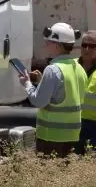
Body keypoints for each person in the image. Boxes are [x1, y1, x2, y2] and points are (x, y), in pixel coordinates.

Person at [18, 22, 88, 158]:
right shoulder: (79, 68)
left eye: (48, 42)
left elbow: (38, 101)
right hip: (73, 135)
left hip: (51, 136)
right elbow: (64, 94)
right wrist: (40, 82)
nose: (45, 45)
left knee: (49, 176)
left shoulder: (52, 70)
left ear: (57, 45)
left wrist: (27, 83)